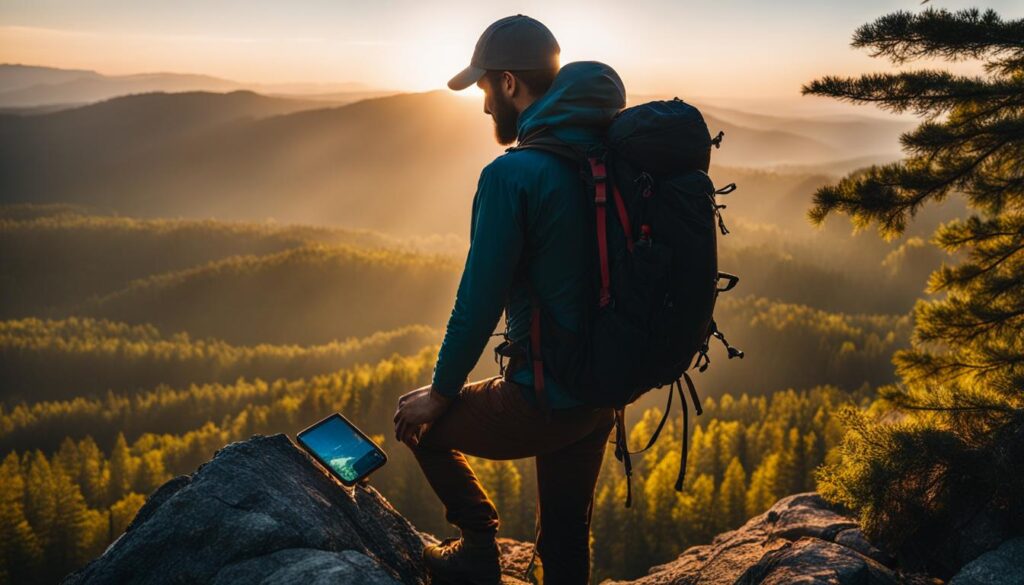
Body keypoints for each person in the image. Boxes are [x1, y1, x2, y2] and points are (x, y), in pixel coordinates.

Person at [392, 14, 626, 585]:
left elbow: (477, 303)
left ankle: (476, 549)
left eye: (484, 88)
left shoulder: (513, 176)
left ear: (510, 84)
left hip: (544, 394)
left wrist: (441, 394)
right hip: (603, 390)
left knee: (418, 426)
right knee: (567, 536)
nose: (483, 104)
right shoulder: (608, 157)